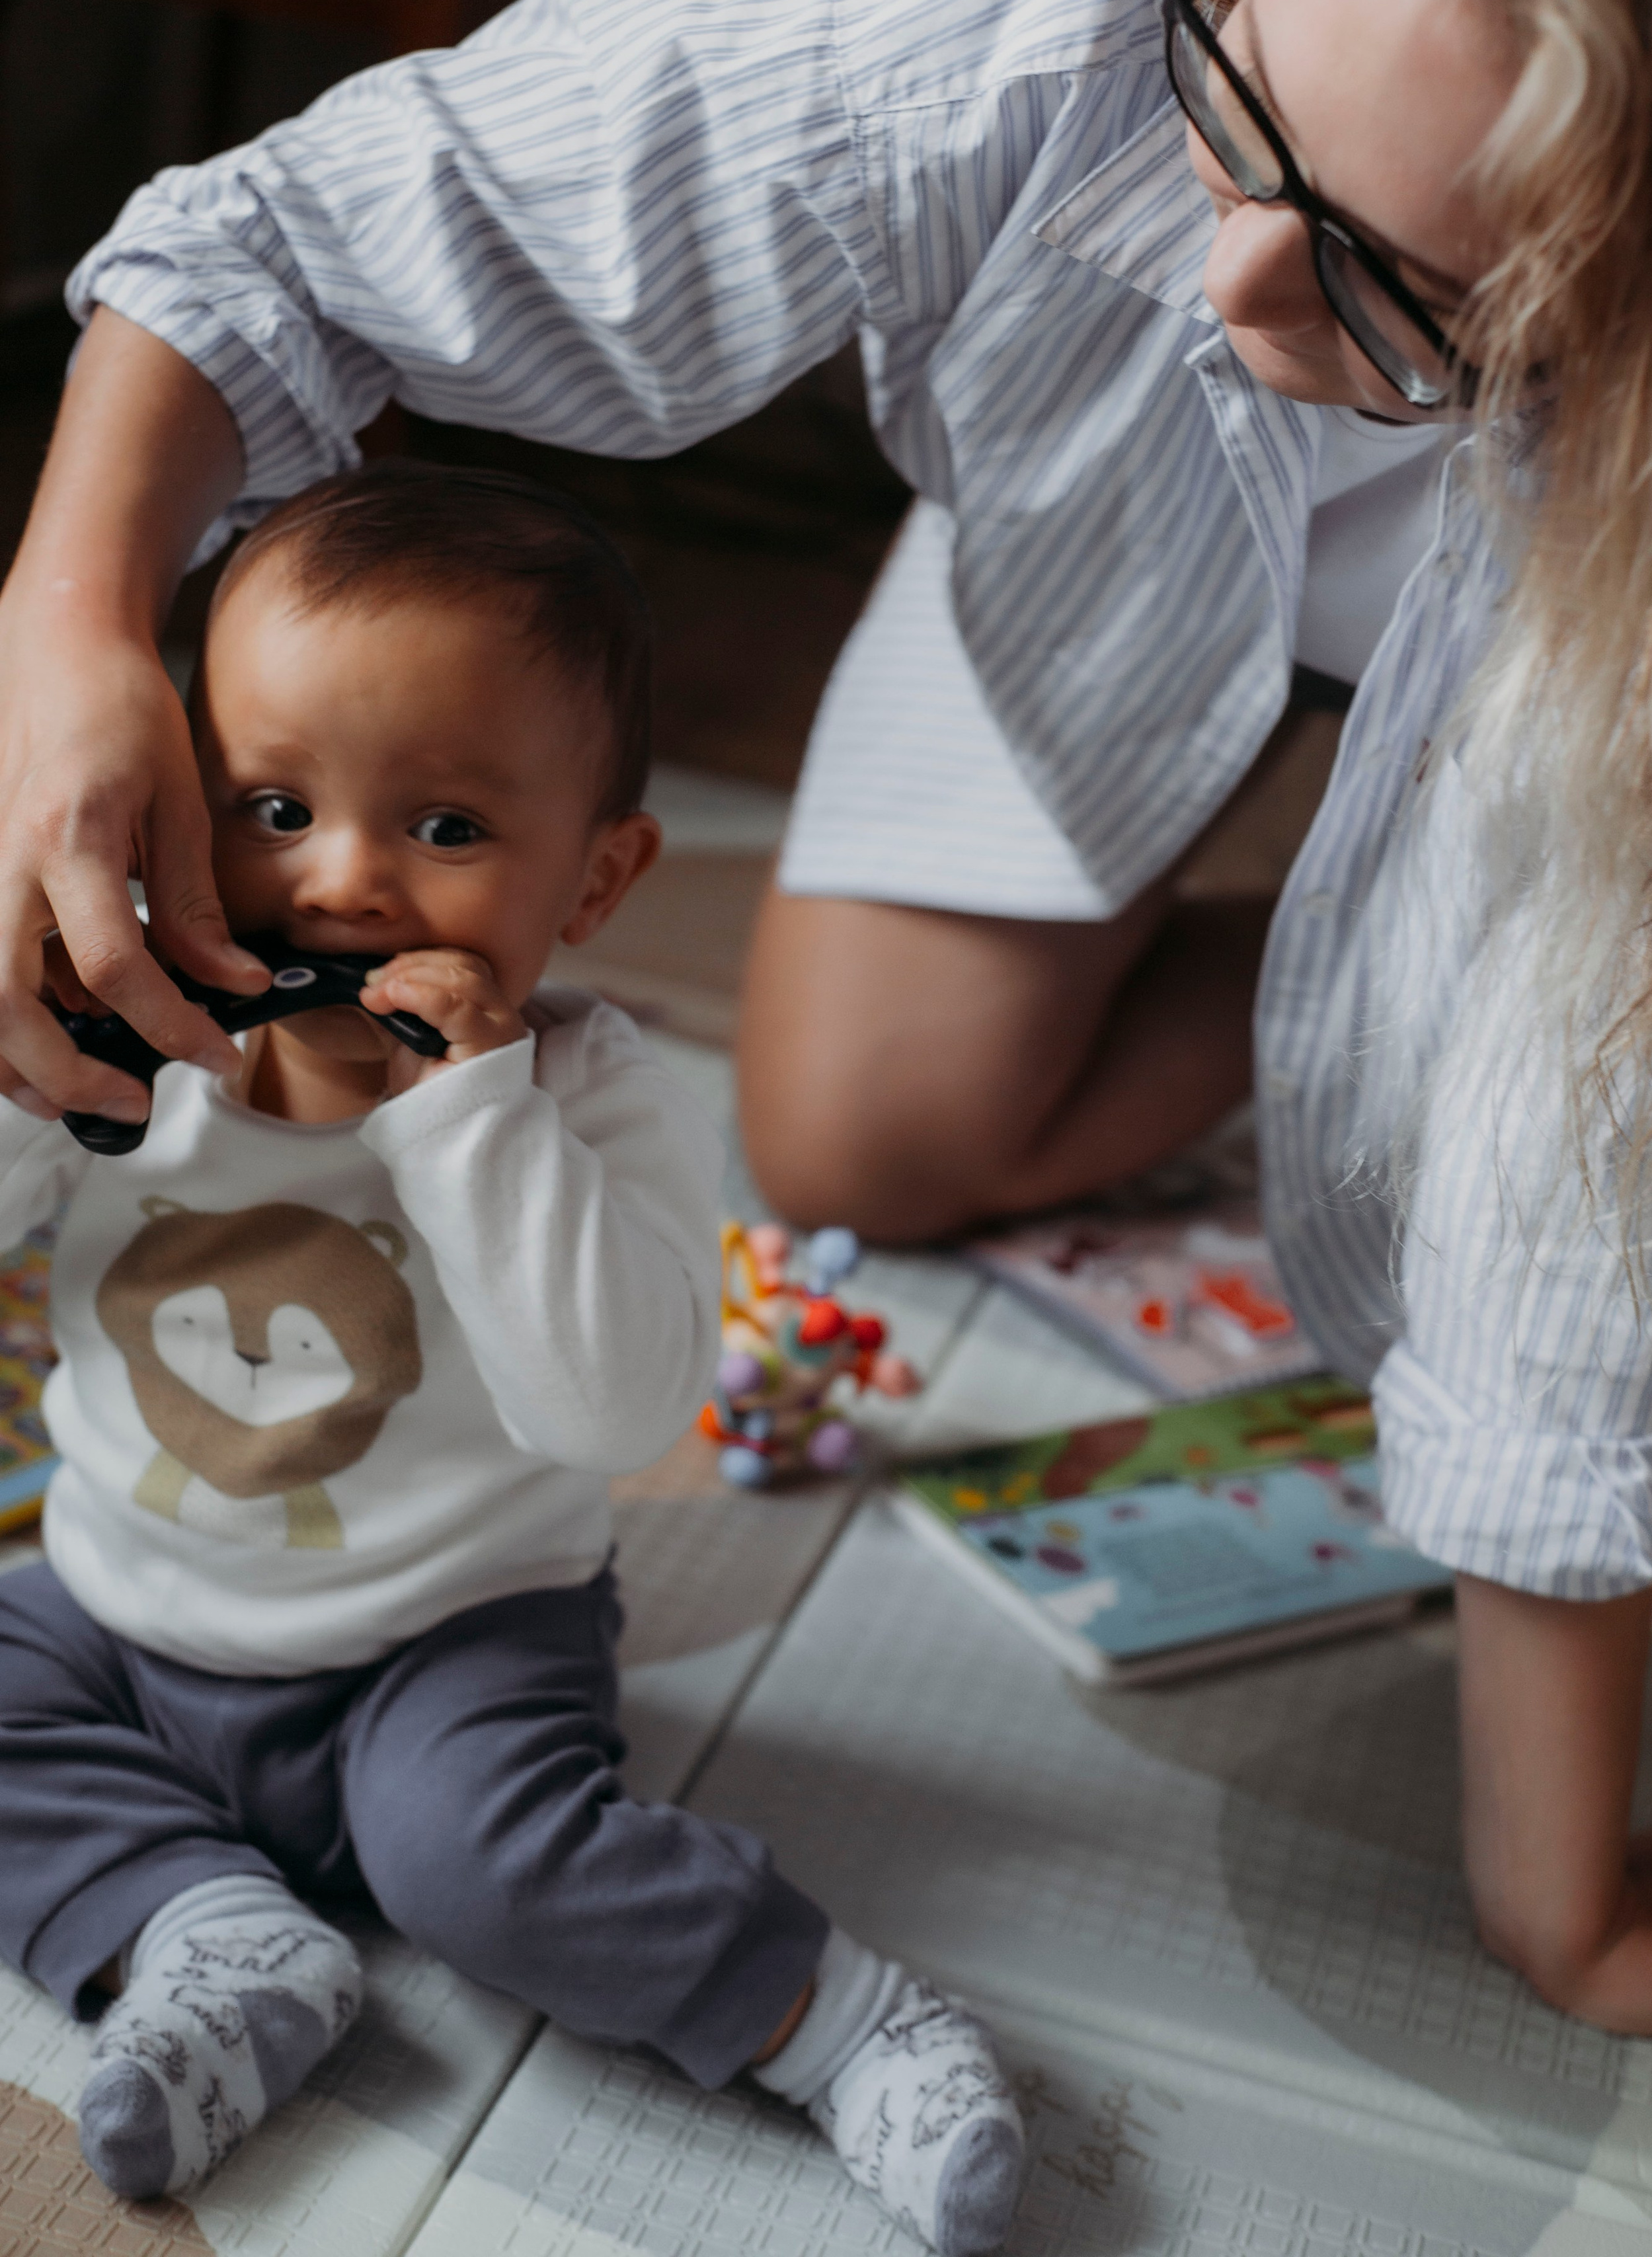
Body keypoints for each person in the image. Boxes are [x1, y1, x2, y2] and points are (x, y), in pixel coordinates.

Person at [3, 0, 1652, 2047]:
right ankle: (1345, 930)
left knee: (1550, 1056)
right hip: (1113, 562)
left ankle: (1394, 937)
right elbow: (334, 222)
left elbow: (1560, 1214)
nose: (1229, 291)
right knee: (860, 1132)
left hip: (1609, 673)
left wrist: (1561, 1901)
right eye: (1237, 109)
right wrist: (71, 631)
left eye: (1384, 286)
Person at [0, 459, 1024, 2250]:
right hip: (113, 1607)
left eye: (449, 830)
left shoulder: (590, 1101)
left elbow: (616, 1407)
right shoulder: (136, 1045)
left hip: (450, 1648)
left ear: (605, 873)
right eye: (271, 804)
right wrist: (22, 1068)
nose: (343, 884)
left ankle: (839, 2024)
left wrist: (472, 1118)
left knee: (484, 1869)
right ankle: (207, 1936)